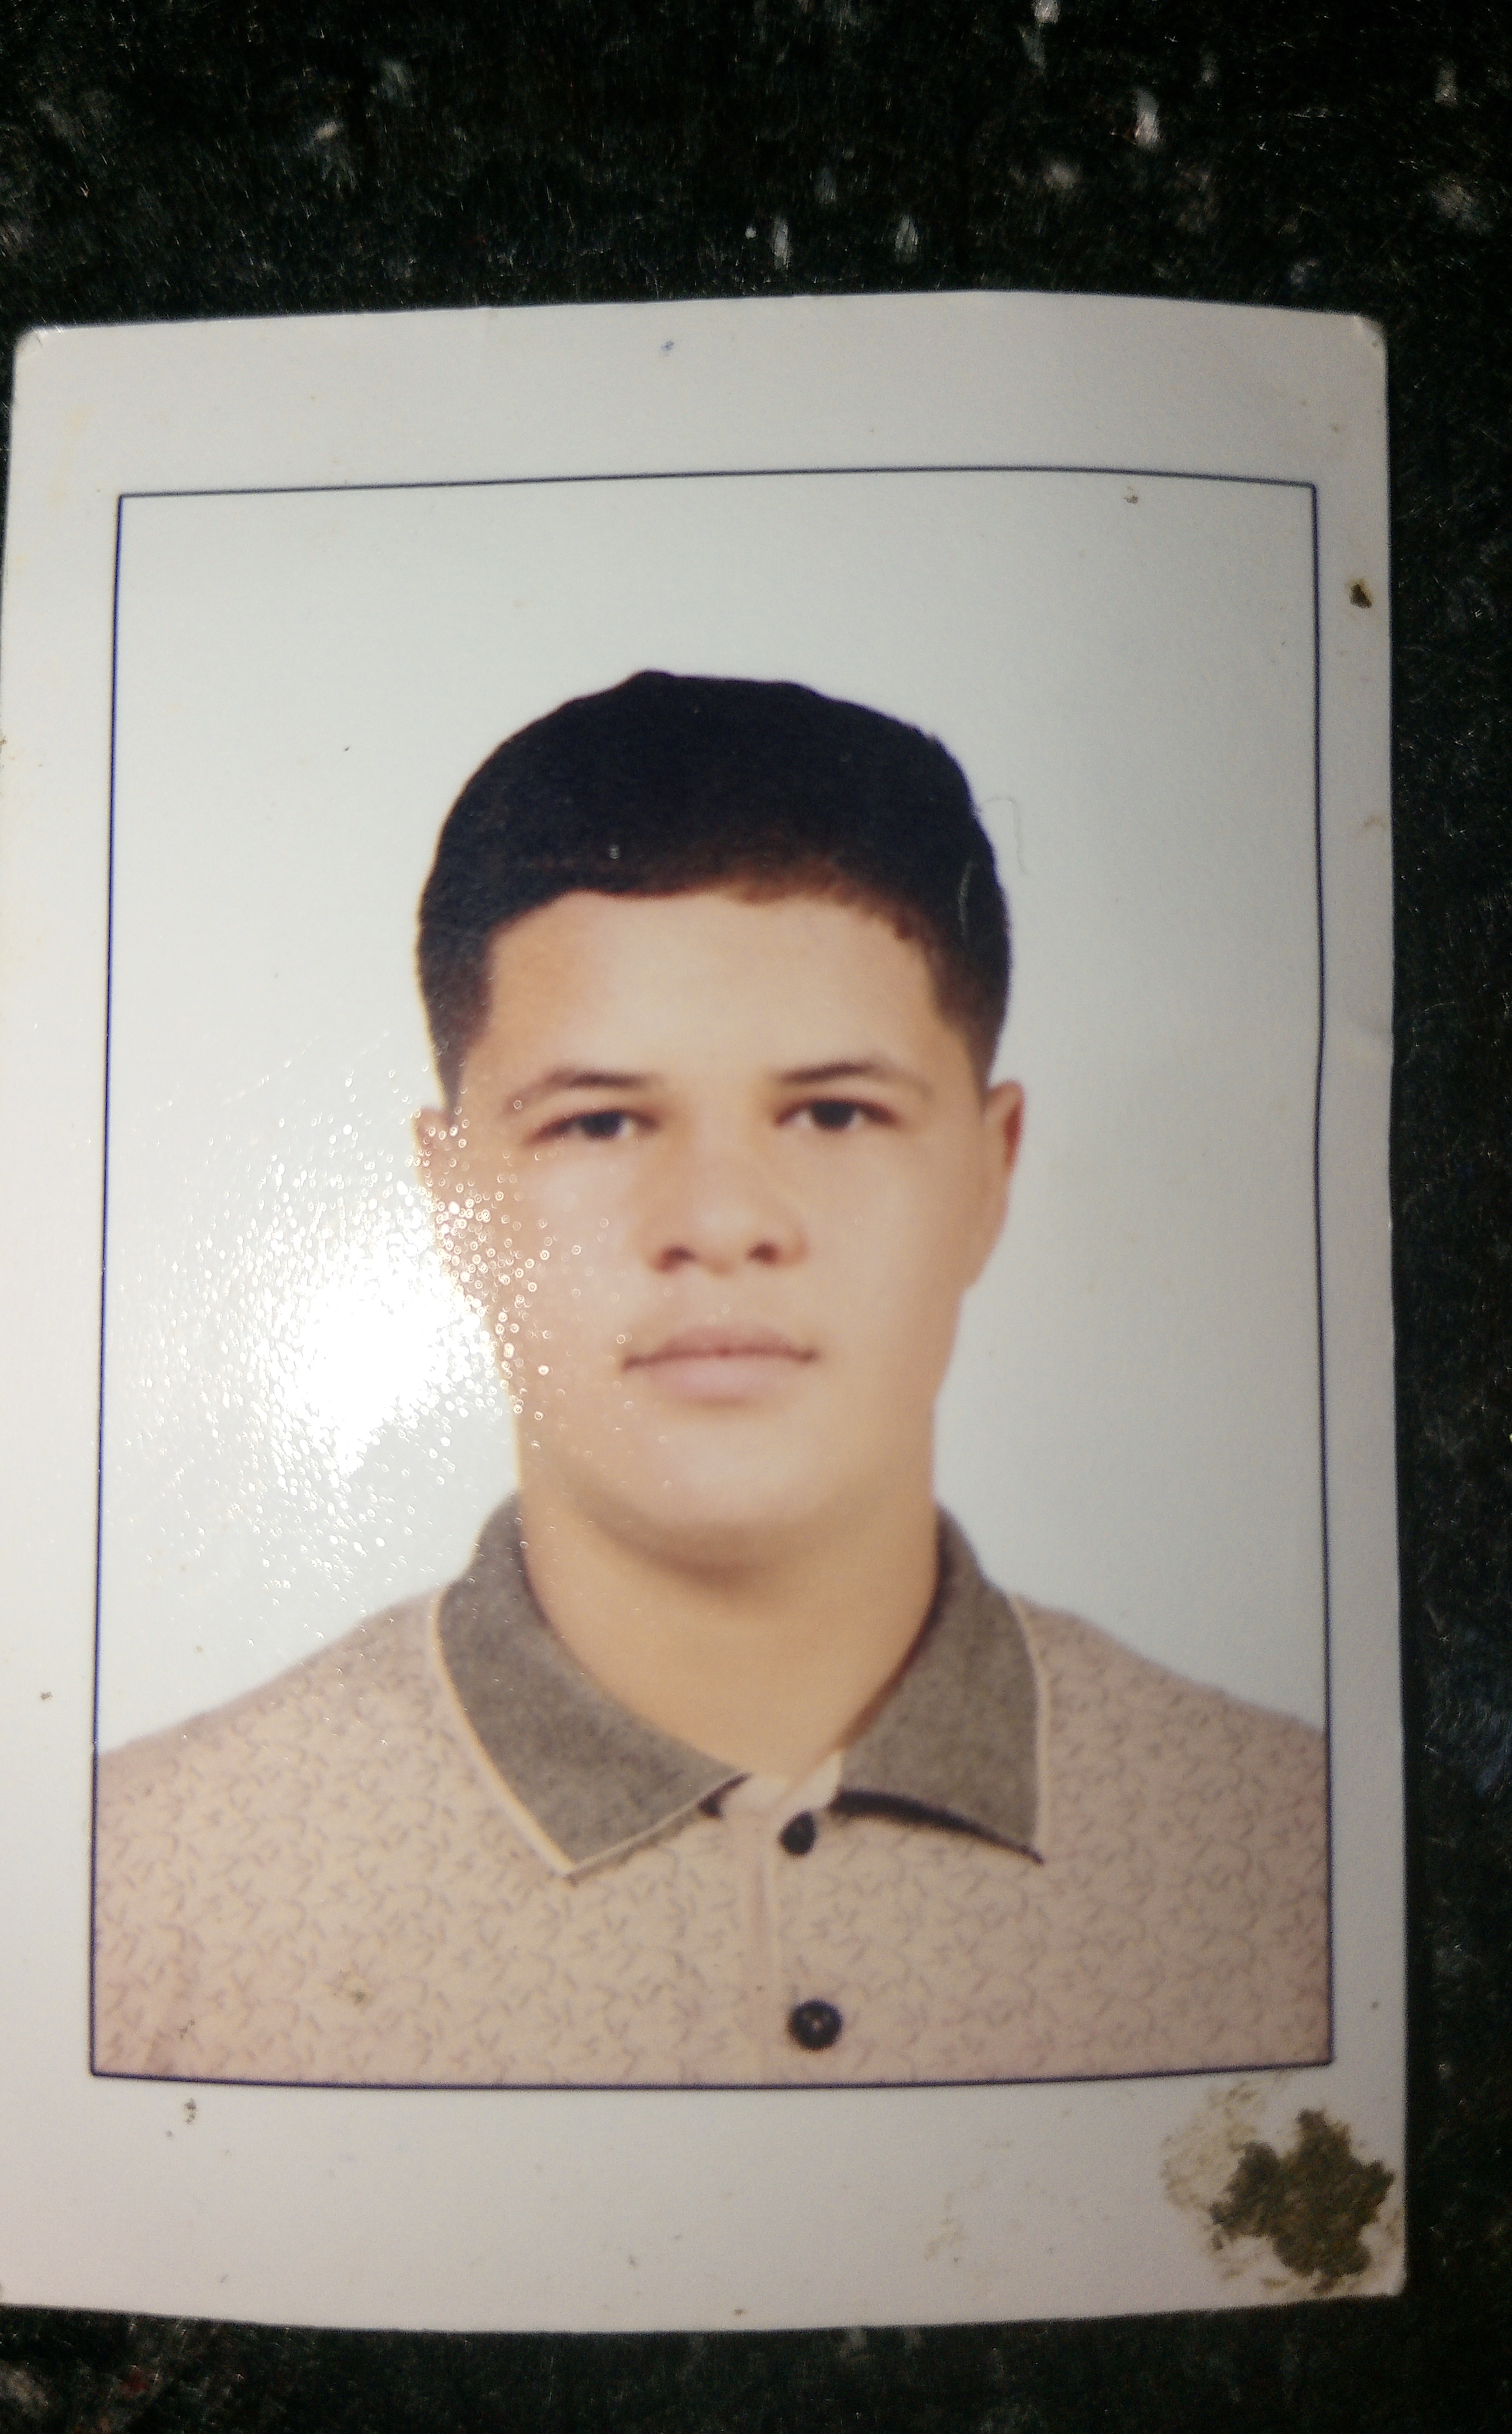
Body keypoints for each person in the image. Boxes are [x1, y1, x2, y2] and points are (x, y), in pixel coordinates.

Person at [94, 672, 1330, 2087]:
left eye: (834, 1111)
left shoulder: (1299, 1861)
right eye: (601, 1121)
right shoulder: (141, 1896)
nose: (721, 1219)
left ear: (988, 1174)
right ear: (453, 1203)